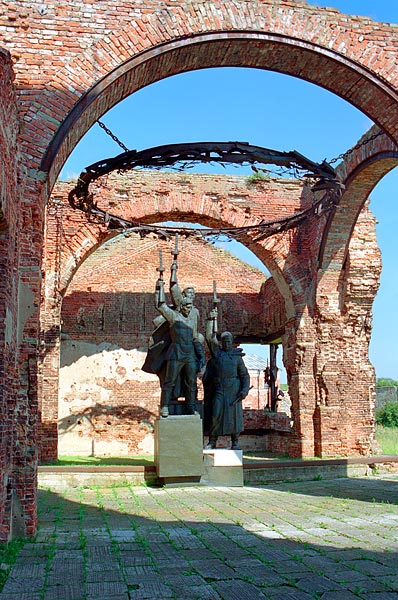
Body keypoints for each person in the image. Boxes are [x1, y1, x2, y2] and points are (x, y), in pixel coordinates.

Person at [155, 277, 204, 418]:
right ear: (181, 307)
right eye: (187, 307)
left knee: (191, 382)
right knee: (169, 382)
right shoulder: (173, 317)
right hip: (175, 354)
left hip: (189, 355)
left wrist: (200, 355)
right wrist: (159, 288)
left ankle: (191, 407)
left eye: (190, 307)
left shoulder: (191, 321)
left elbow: (195, 338)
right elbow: (160, 305)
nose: (190, 309)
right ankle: (164, 406)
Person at [203, 308, 250, 449]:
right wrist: (211, 320)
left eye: (229, 341)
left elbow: (244, 375)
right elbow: (209, 338)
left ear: (232, 342)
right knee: (215, 414)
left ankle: (235, 442)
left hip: (233, 390)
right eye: (224, 341)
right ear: (222, 342)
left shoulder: (237, 358)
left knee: (234, 417)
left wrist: (244, 390)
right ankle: (212, 441)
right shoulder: (217, 354)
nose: (227, 343)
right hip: (219, 389)